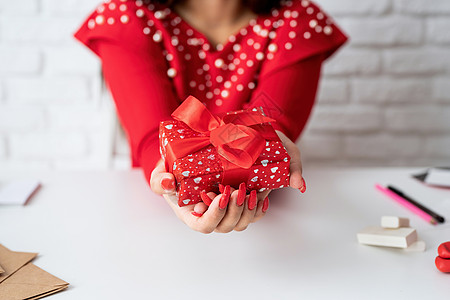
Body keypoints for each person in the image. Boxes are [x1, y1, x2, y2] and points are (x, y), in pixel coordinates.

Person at [74, 0, 347, 233]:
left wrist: (271, 141)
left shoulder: (299, 22)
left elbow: (271, 122)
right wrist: (170, 177)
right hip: (150, 224)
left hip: (279, 224)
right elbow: (151, 137)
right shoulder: (125, 17)